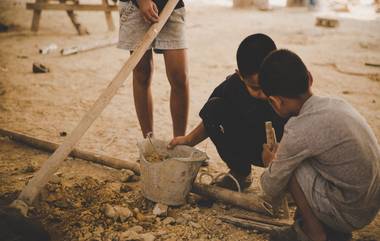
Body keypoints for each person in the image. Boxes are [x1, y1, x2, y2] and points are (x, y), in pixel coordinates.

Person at [259, 49, 380, 241]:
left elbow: (271, 186)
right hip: (369, 205)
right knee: (299, 159)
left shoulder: (298, 129)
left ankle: (315, 232)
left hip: (349, 212)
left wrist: (270, 162)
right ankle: (321, 226)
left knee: (290, 167)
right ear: (309, 78)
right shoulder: (335, 103)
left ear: (276, 101)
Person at [169, 33, 287, 191]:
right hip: (252, 146)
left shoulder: (287, 85)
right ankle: (240, 173)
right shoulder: (232, 87)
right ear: (240, 76)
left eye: (267, 86)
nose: (263, 94)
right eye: (256, 88)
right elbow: (211, 115)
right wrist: (189, 140)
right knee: (213, 108)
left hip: (285, 151)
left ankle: (289, 183)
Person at [118, 0, 189, 137]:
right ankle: (148, 141)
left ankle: (180, 143)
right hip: (135, 7)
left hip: (172, 6)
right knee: (142, 74)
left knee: (180, 76)